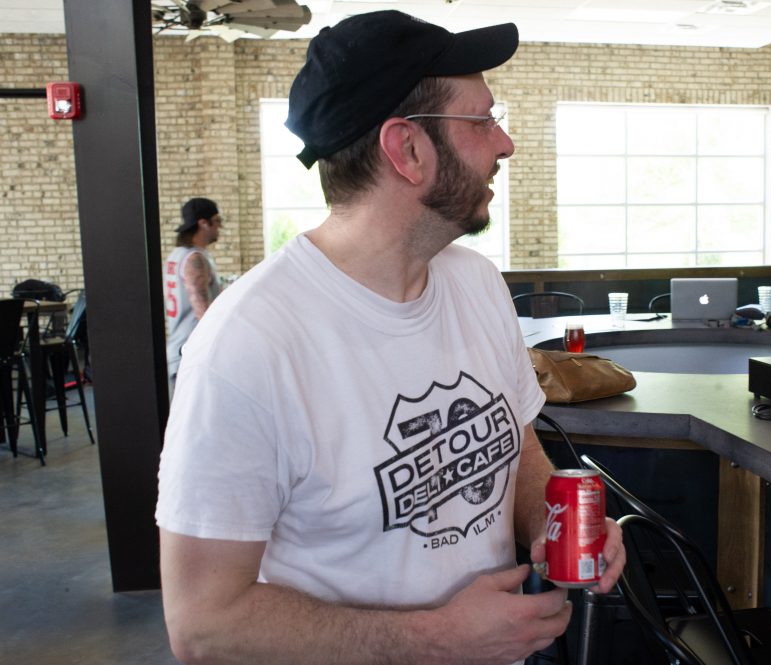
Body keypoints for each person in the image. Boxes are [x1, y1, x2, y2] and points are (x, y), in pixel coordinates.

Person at [155, 10, 624, 665]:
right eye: (482, 120)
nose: (506, 143)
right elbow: (203, 624)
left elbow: (515, 451)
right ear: (407, 148)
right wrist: (434, 639)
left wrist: (556, 522)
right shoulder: (248, 346)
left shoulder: (477, 285)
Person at [163, 197, 223, 383]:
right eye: (217, 221)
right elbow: (204, 314)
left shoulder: (177, 255)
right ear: (203, 223)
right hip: (191, 355)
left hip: (182, 350)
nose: (219, 227)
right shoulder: (194, 259)